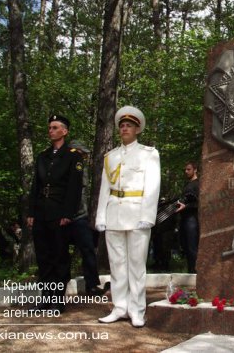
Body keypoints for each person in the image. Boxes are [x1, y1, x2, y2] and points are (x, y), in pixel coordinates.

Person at [96, 106, 160, 327]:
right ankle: (119, 307)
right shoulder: (110, 156)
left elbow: (152, 186)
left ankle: (137, 310)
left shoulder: (149, 154)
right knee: (117, 265)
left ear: (137, 129)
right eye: (122, 126)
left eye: (129, 126)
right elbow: (105, 187)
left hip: (137, 214)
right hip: (114, 213)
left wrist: (148, 216)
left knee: (136, 265)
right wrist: (100, 216)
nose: (124, 128)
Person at [27, 115, 84, 314]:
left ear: (64, 131)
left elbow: (74, 188)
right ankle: (46, 299)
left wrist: (68, 213)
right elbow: (36, 186)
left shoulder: (73, 155)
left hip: (60, 213)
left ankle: (58, 301)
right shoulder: (43, 156)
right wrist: (31, 212)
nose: (50, 130)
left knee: (59, 257)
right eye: (49, 127)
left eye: (55, 127)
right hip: (41, 212)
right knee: (44, 257)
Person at [68, 139, 104, 295]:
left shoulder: (81, 168)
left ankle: (92, 285)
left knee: (88, 249)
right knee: (59, 253)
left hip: (79, 216)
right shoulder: (61, 167)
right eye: (82, 154)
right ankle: (57, 287)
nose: (84, 157)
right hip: (62, 216)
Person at [176, 161, 199, 273]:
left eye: (188, 169)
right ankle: (190, 270)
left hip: (192, 219)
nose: (186, 171)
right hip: (184, 218)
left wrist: (186, 206)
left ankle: (195, 272)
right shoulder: (187, 184)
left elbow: (200, 202)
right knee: (185, 245)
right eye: (185, 169)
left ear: (195, 170)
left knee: (192, 245)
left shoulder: (198, 184)